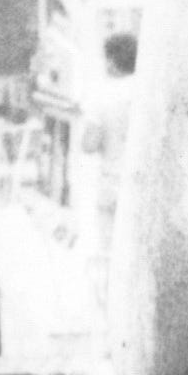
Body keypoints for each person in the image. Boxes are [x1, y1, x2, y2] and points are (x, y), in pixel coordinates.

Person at [78, 29, 136, 307]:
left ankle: (116, 308)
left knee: (112, 253)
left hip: (112, 187)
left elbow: (90, 143)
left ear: (112, 61)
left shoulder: (102, 95)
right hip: (142, 185)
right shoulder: (145, 91)